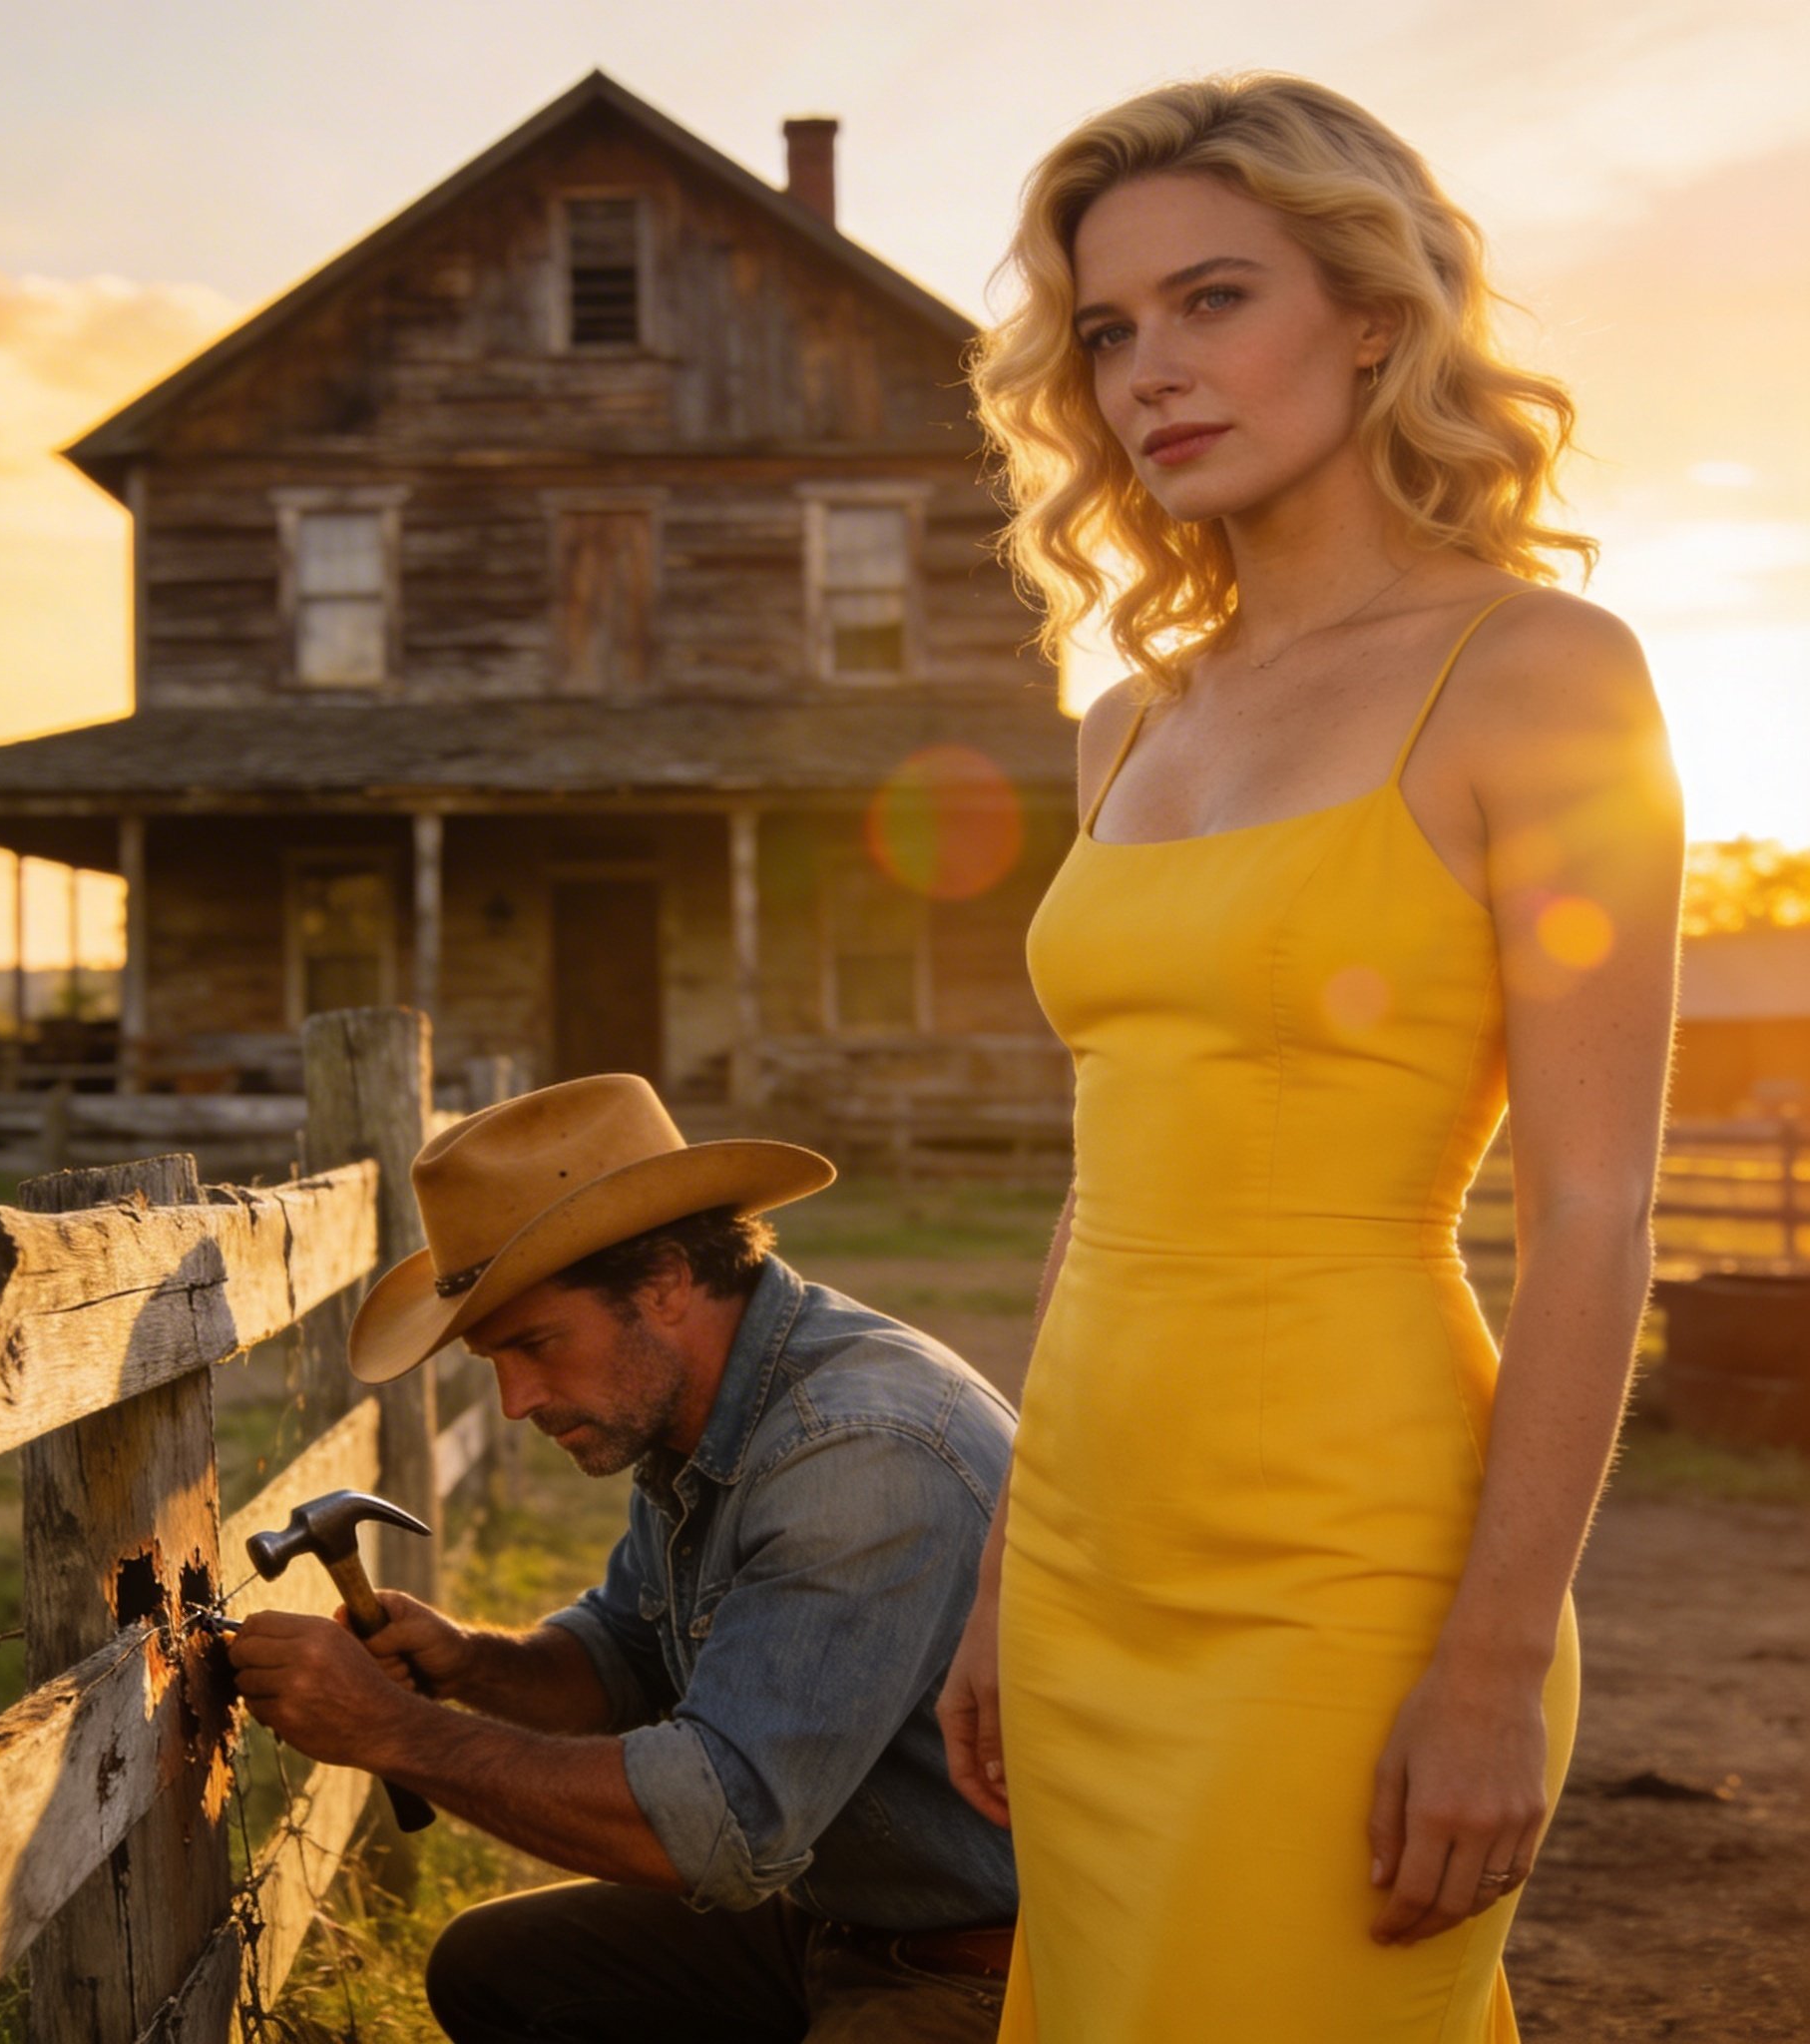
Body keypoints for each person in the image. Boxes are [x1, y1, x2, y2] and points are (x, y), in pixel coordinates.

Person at [932, 74, 1682, 2042]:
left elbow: (1593, 1209)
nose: (1151, 374)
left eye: (1211, 300)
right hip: (1092, 1545)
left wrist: (1492, 1660)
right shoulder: (1124, 724)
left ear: (1370, 312)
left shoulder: (1537, 677)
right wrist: (1013, 1560)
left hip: (1354, 1575)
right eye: (1106, 332)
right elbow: (1111, 1176)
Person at [228, 1073, 1020, 2042]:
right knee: (497, 1968)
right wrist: (471, 1660)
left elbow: (718, 1825)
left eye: (537, 1343)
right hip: (838, 1917)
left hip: (988, 1967)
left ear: (665, 1281)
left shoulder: (855, 1457)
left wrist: (388, 1729)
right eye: (493, 1362)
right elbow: (621, 1656)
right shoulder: (708, 1406)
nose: (517, 1399)